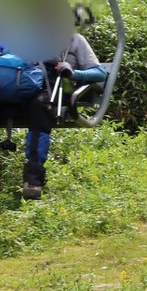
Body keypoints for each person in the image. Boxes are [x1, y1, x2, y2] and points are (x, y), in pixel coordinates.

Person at [21, 24, 106, 201]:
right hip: (25, 88)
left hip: (56, 91)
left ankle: (33, 180)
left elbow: (99, 73)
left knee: (40, 107)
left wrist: (74, 73)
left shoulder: (74, 40)